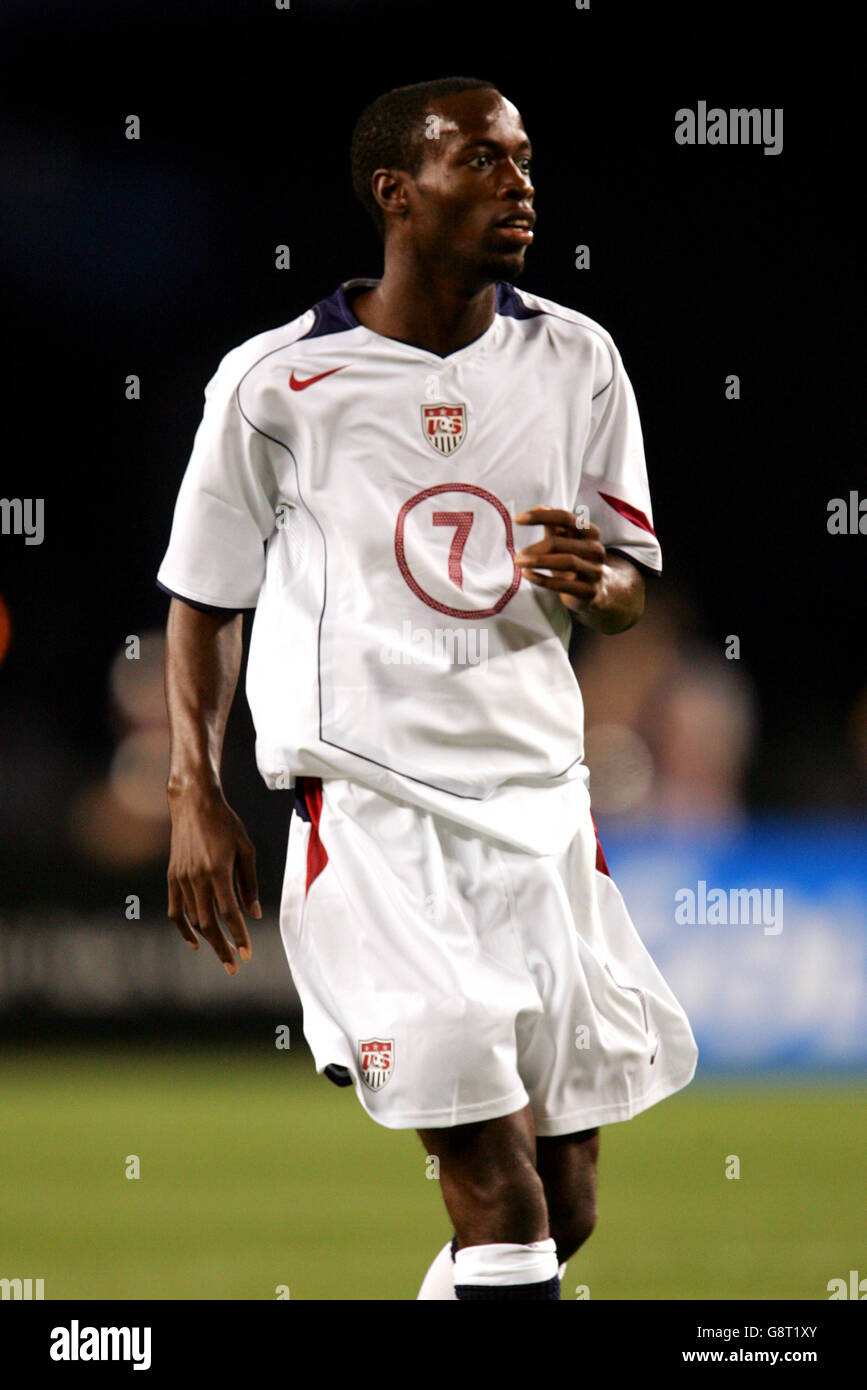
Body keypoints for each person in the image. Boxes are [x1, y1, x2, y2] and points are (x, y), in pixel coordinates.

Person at [158, 76, 698, 1302]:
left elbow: (626, 585)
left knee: (565, 1206)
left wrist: (596, 576)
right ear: (398, 193)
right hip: (374, 814)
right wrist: (196, 790)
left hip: (544, 806)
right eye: (487, 163)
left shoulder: (577, 357)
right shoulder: (276, 383)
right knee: (495, 1187)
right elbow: (205, 594)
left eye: (525, 162)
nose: (522, 186)